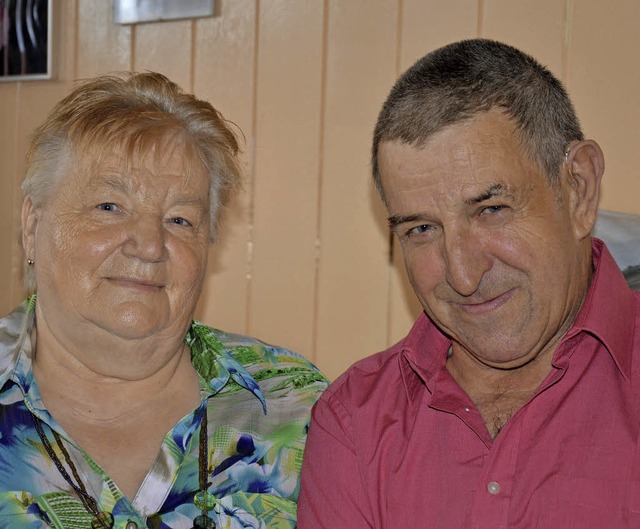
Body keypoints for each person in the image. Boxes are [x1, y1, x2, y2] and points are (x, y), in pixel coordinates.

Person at [298, 38, 640, 528]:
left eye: (491, 210)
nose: (461, 274)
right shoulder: (356, 420)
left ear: (578, 188)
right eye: (420, 229)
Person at [0, 72, 328, 529]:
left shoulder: (296, 404)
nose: (149, 245)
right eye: (108, 207)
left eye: (180, 220)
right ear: (33, 226)